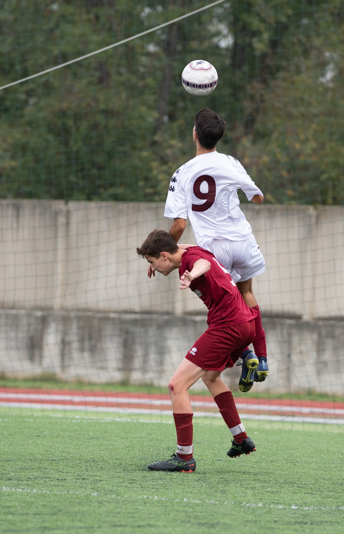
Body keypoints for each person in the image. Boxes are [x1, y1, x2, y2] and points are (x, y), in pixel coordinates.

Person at [158, 107, 268, 393]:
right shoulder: (231, 162)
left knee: (223, 310)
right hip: (242, 241)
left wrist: (163, 250)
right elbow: (258, 198)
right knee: (247, 294)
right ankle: (262, 358)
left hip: (214, 250)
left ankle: (245, 354)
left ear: (194, 134)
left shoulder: (182, 172)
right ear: (219, 136)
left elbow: (180, 225)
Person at [138, 229, 258, 473]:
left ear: (164, 256)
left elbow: (203, 264)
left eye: (153, 262)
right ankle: (241, 438)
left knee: (177, 385)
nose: (154, 268)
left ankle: (184, 457)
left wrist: (191, 275)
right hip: (245, 324)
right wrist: (155, 260)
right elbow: (183, 249)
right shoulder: (189, 250)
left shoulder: (192, 261)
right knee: (210, 377)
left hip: (227, 326)